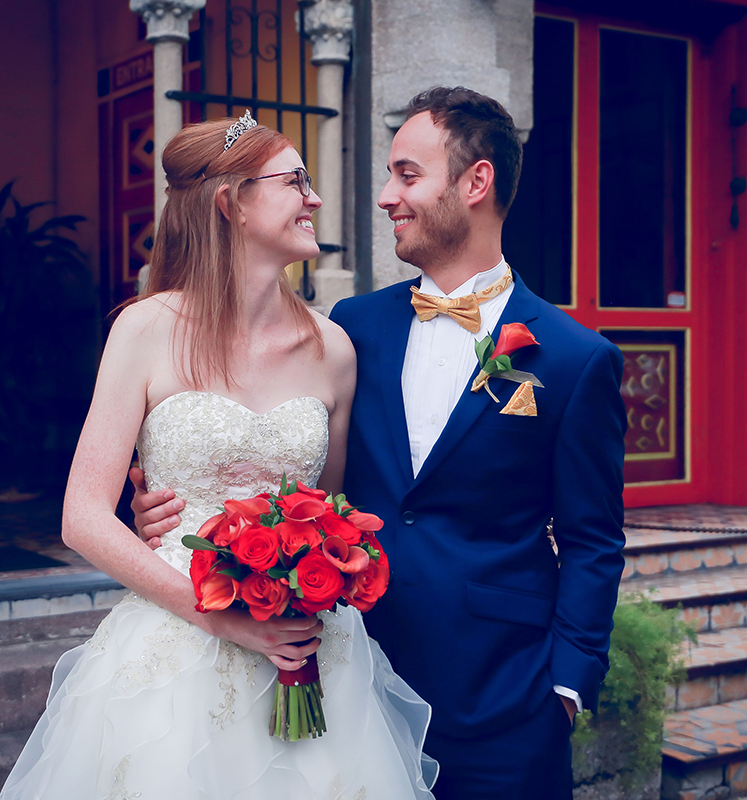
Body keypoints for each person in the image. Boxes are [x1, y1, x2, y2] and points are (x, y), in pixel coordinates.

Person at [133, 87, 627, 800]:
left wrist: (567, 688)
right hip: (348, 678)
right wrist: (160, 508)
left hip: (502, 700)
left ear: (475, 182)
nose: (385, 196)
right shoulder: (349, 328)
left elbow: (592, 539)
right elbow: (290, 472)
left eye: (406, 174)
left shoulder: (575, 359)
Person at [0, 113, 437, 800]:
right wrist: (219, 616)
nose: (314, 199)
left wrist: (314, 573)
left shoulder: (334, 352)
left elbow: (327, 511)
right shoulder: (145, 329)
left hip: (309, 648)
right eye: (295, 182)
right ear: (230, 204)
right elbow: (82, 516)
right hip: (178, 646)